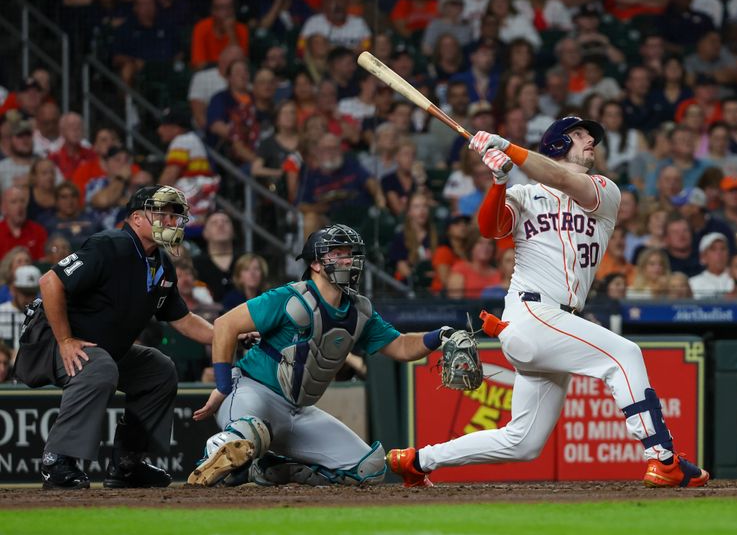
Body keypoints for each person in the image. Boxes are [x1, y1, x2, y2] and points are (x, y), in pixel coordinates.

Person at [386, 117, 709, 488]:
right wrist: (499, 182)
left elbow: (564, 180)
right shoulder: (524, 195)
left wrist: (507, 147)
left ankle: (417, 460)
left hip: (554, 323)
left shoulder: (605, 190)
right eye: (580, 135)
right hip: (532, 313)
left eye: (592, 136)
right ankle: (662, 458)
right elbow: (491, 229)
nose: (591, 140)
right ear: (557, 144)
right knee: (624, 355)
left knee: (523, 441)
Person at [188, 224, 457, 487]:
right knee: (247, 434)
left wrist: (440, 336)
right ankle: (218, 449)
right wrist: (223, 386)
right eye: (338, 253)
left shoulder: (359, 311)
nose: (348, 259)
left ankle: (269, 469)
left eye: (350, 253)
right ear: (316, 263)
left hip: (297, 411)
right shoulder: (290, 297)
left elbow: (400, 346)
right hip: (252, 392)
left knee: (369, 467)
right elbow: (225, 325)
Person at [35, 186, 215, 489]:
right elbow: (50, 281)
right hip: (50, 342)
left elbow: (183, 321)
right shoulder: (110, 244)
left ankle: (127, 464)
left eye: (174, 216)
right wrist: (65, 340)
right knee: (100, 365)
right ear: (136, 218)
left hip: (102, 350)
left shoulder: (161, 263)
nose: (171, 222)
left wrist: (228, 334)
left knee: (158, 369)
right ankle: (58, 460)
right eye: (162, 214)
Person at [0, 264, 41, 350]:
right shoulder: (1, 312)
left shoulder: (41, 315)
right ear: (13, 289)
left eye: (33, 293)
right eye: (25, 293)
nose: (30, 298)